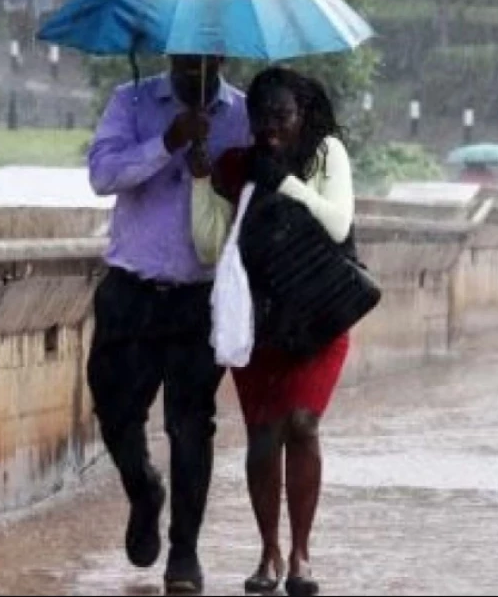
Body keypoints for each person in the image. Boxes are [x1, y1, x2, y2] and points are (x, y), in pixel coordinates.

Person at [86, 55, 250, 594]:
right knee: (115, 415)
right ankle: (143, 491)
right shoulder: (130, 101)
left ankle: (185, 551)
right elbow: (103, 176)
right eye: (184, 55)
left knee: (190, 425)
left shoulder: (243, 116)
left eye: (205, 56)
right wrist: (167, 143)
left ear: (222, 56)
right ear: (169, 50)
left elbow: (256, 199)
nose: (193, 66)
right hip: (130, 290)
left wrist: (218, 178)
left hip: (197, 299)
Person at [214, 67, 355, 597]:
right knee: (263, 433)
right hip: (259, 317)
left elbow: (337, 224)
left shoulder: (326, 155)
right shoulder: (237, 166)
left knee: (301, 422)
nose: (270, 128)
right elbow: (211, 241)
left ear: (303, 114)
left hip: (319, 315)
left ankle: (301, 552)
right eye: (261, 117)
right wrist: (207, 181)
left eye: (282, 117)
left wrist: (285, 180)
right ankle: (268, 551)